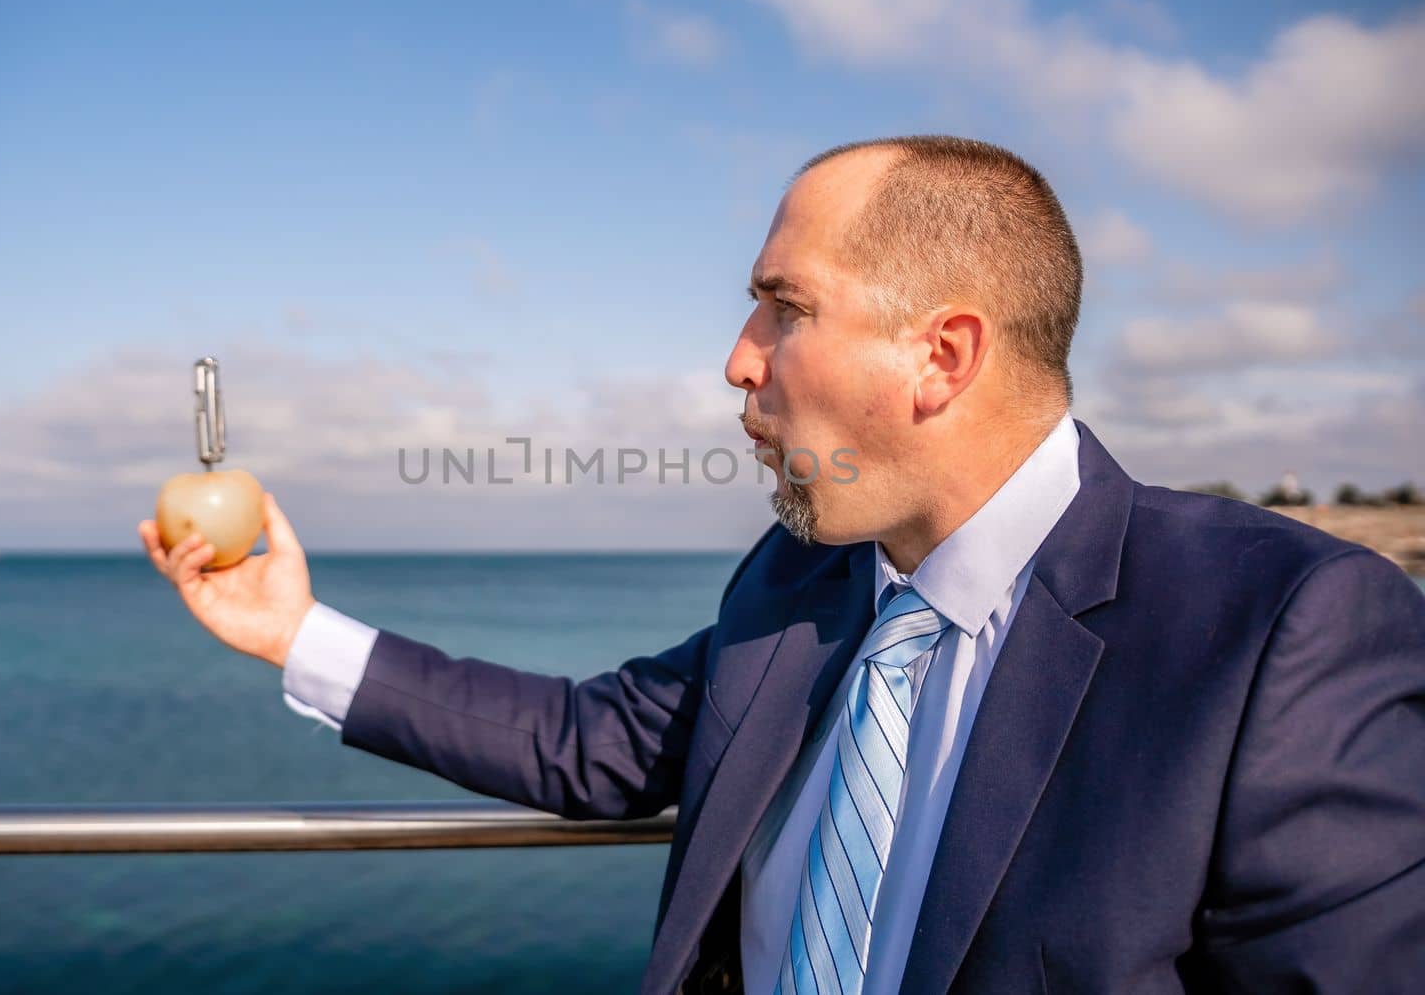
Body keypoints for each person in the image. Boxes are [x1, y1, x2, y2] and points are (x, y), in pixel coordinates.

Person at [138, 136, 1425, 994]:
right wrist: (292, 628)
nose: (738, 360)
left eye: (784, 306)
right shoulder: (792, 584)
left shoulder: (1281, 631)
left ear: (942, 356)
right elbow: (595, 740)